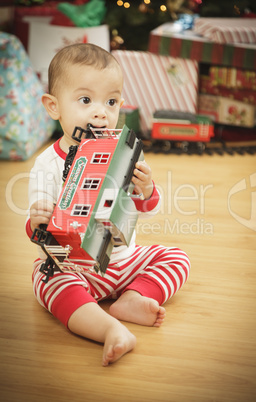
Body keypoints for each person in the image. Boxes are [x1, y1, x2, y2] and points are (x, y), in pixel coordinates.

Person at [26, 43, 190, 367]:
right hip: (79, 270)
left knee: (176, 257)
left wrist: (147, 189)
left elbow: (147, 208)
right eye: (86, 100)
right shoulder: (47, 164)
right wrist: (38, 221)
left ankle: (132, 299)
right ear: (53, 106)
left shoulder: (124, 152)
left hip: (124, 261)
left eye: (111, 101)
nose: (101, 112)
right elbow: (38, 225)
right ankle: (107, 328)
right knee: (44, 276)